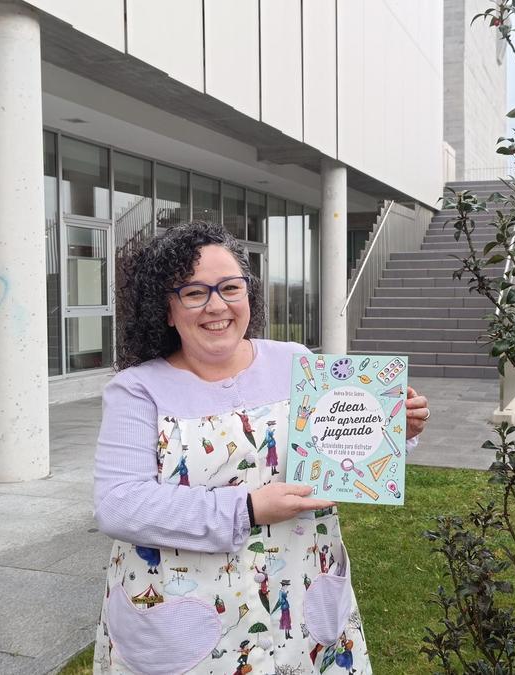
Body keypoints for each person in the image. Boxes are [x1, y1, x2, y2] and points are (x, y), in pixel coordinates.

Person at [92, 222, 430, 674]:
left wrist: (392, 430)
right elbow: (119, 506)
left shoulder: (296, 362)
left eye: (230, 287)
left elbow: (339, 458)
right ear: (166, 310)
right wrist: (246, 509)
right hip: (186, 616)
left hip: (302, 590)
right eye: (194, 293)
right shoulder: (137, 390)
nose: (217, 305)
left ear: (248, 294)